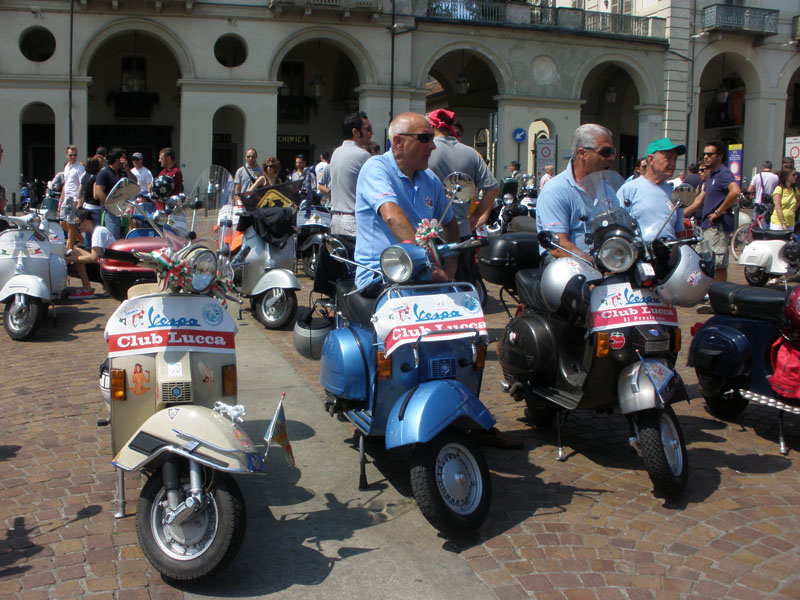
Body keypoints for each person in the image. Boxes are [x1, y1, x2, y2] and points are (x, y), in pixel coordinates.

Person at [354, 111, 459, 287]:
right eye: (425, 138)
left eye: (432, 138)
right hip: (382, 275)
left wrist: (450, 269)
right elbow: (392, 216)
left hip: (421, 276)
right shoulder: (376, 168)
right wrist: (430, 267)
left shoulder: (430, 178)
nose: (433, 146)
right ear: (398, 142)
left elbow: (450, 223)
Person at [426, 108, 498, 281]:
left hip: (431, 233)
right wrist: (477, 216)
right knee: (462, 286)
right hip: (462, 231)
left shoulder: (426, 151)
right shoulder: (471, 153)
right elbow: (492, 188)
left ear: (431, 125)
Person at [536, 123, 620, 261]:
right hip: (569, 269)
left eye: (613, 152)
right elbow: (558, 246)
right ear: (583, 154)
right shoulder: (556, 191)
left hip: (608, 267)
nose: (612, 158)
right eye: (606, 152)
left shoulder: (607, 190)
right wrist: (595, 265)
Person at [617, 138, 686, 241]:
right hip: (640, 254)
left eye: (675, 159)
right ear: (651, 159)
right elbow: (616, 227)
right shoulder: (629, 189)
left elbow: (679, 231)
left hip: (668, 253)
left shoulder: (674, 193)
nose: (673, 164)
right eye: (668, 158)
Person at [324, 111, 373, 236]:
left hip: (335, 220)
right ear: (355, 132)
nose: (371, 133)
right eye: (368, 129)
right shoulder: (363, 155)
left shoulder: (336, 153)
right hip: (353, 219)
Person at [698, 140, 741, 282]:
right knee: (707, 261)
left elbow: (735, 192)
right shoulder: (712, 175)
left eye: (710, 154)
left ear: (720, 156)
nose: (706, 157)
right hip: (708, 227)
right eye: (704, 154)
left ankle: (718, 297)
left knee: (718, 265)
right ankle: (711, 293)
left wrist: (719, 211)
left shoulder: (723, 173)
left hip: (717, 227)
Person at [64, 207, 115, 299]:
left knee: (76, 257)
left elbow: (94, 257)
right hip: (107, 264)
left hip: (107, 269)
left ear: (86, 221)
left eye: (79, 224)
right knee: (75, 251)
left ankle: (87, 289)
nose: (79, 227)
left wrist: (70, 259)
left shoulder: (98, 232)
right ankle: (102, 285)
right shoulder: (99, 230)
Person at [94, 147, 134, 239]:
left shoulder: (123, 172)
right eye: (123, 158)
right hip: (111, 213)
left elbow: (134, 181)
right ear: (117, 159)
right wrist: (110, 206)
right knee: (113, 238)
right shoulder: (104, 173)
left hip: (123, 211)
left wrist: (127, 168)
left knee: (123, 238)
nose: (125, 161)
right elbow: (99, 191)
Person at [58, 145, 85, 251]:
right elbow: (65, 184)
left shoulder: (80, 167)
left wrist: (79, 201)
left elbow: (81, 185)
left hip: (73, 198)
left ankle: (70, 247)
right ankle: (80, 238)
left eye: (75, 155)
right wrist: (61, 199)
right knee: (62, 222)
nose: (73, 157)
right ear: (67, 155)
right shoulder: (67, 167)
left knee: (70, 223)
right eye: (71, 155)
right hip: (66, 198)